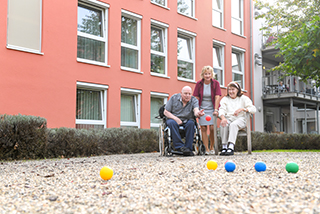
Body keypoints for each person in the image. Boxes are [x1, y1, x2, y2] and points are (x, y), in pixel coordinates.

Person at [164, 86, 205, 156]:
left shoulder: (194, 100)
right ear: (181, 93)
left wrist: (198, 113)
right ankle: (180, 147)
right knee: (171, 123)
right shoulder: (174, 98)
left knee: (191, 123)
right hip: (174, 119)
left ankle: (188, 148)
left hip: (187, 120)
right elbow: (166, 112)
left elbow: (195, 110)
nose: (187, 96)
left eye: (189, 94)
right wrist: (176, 119)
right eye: (185, 93)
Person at [218, 82, 256, 156]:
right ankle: (224, 147)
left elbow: (253, 109)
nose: (231, 91)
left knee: (233, 125)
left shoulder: (244, 98)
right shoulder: (225, 99)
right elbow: (221, 109)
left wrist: (242, 109)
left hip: (241, 119)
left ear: (238, 90)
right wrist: (223, 118)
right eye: (229, 89)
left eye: (233, 89)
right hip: (229, 118)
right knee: (224, 124)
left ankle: (231, 147)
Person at [193, 65, 221, 155]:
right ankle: (206, 149)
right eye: (206, 74)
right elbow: (196, 97)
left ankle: (212, 147)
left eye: (209, 74)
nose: (207, 76)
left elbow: (217, 97)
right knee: (204, 128)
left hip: (212, 107)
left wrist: (216, 110)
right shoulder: (199, 84)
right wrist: (197, 110)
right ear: (203, 74)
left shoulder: (216, 83)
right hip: (202, 108)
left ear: (212, 74)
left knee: (212, 128)